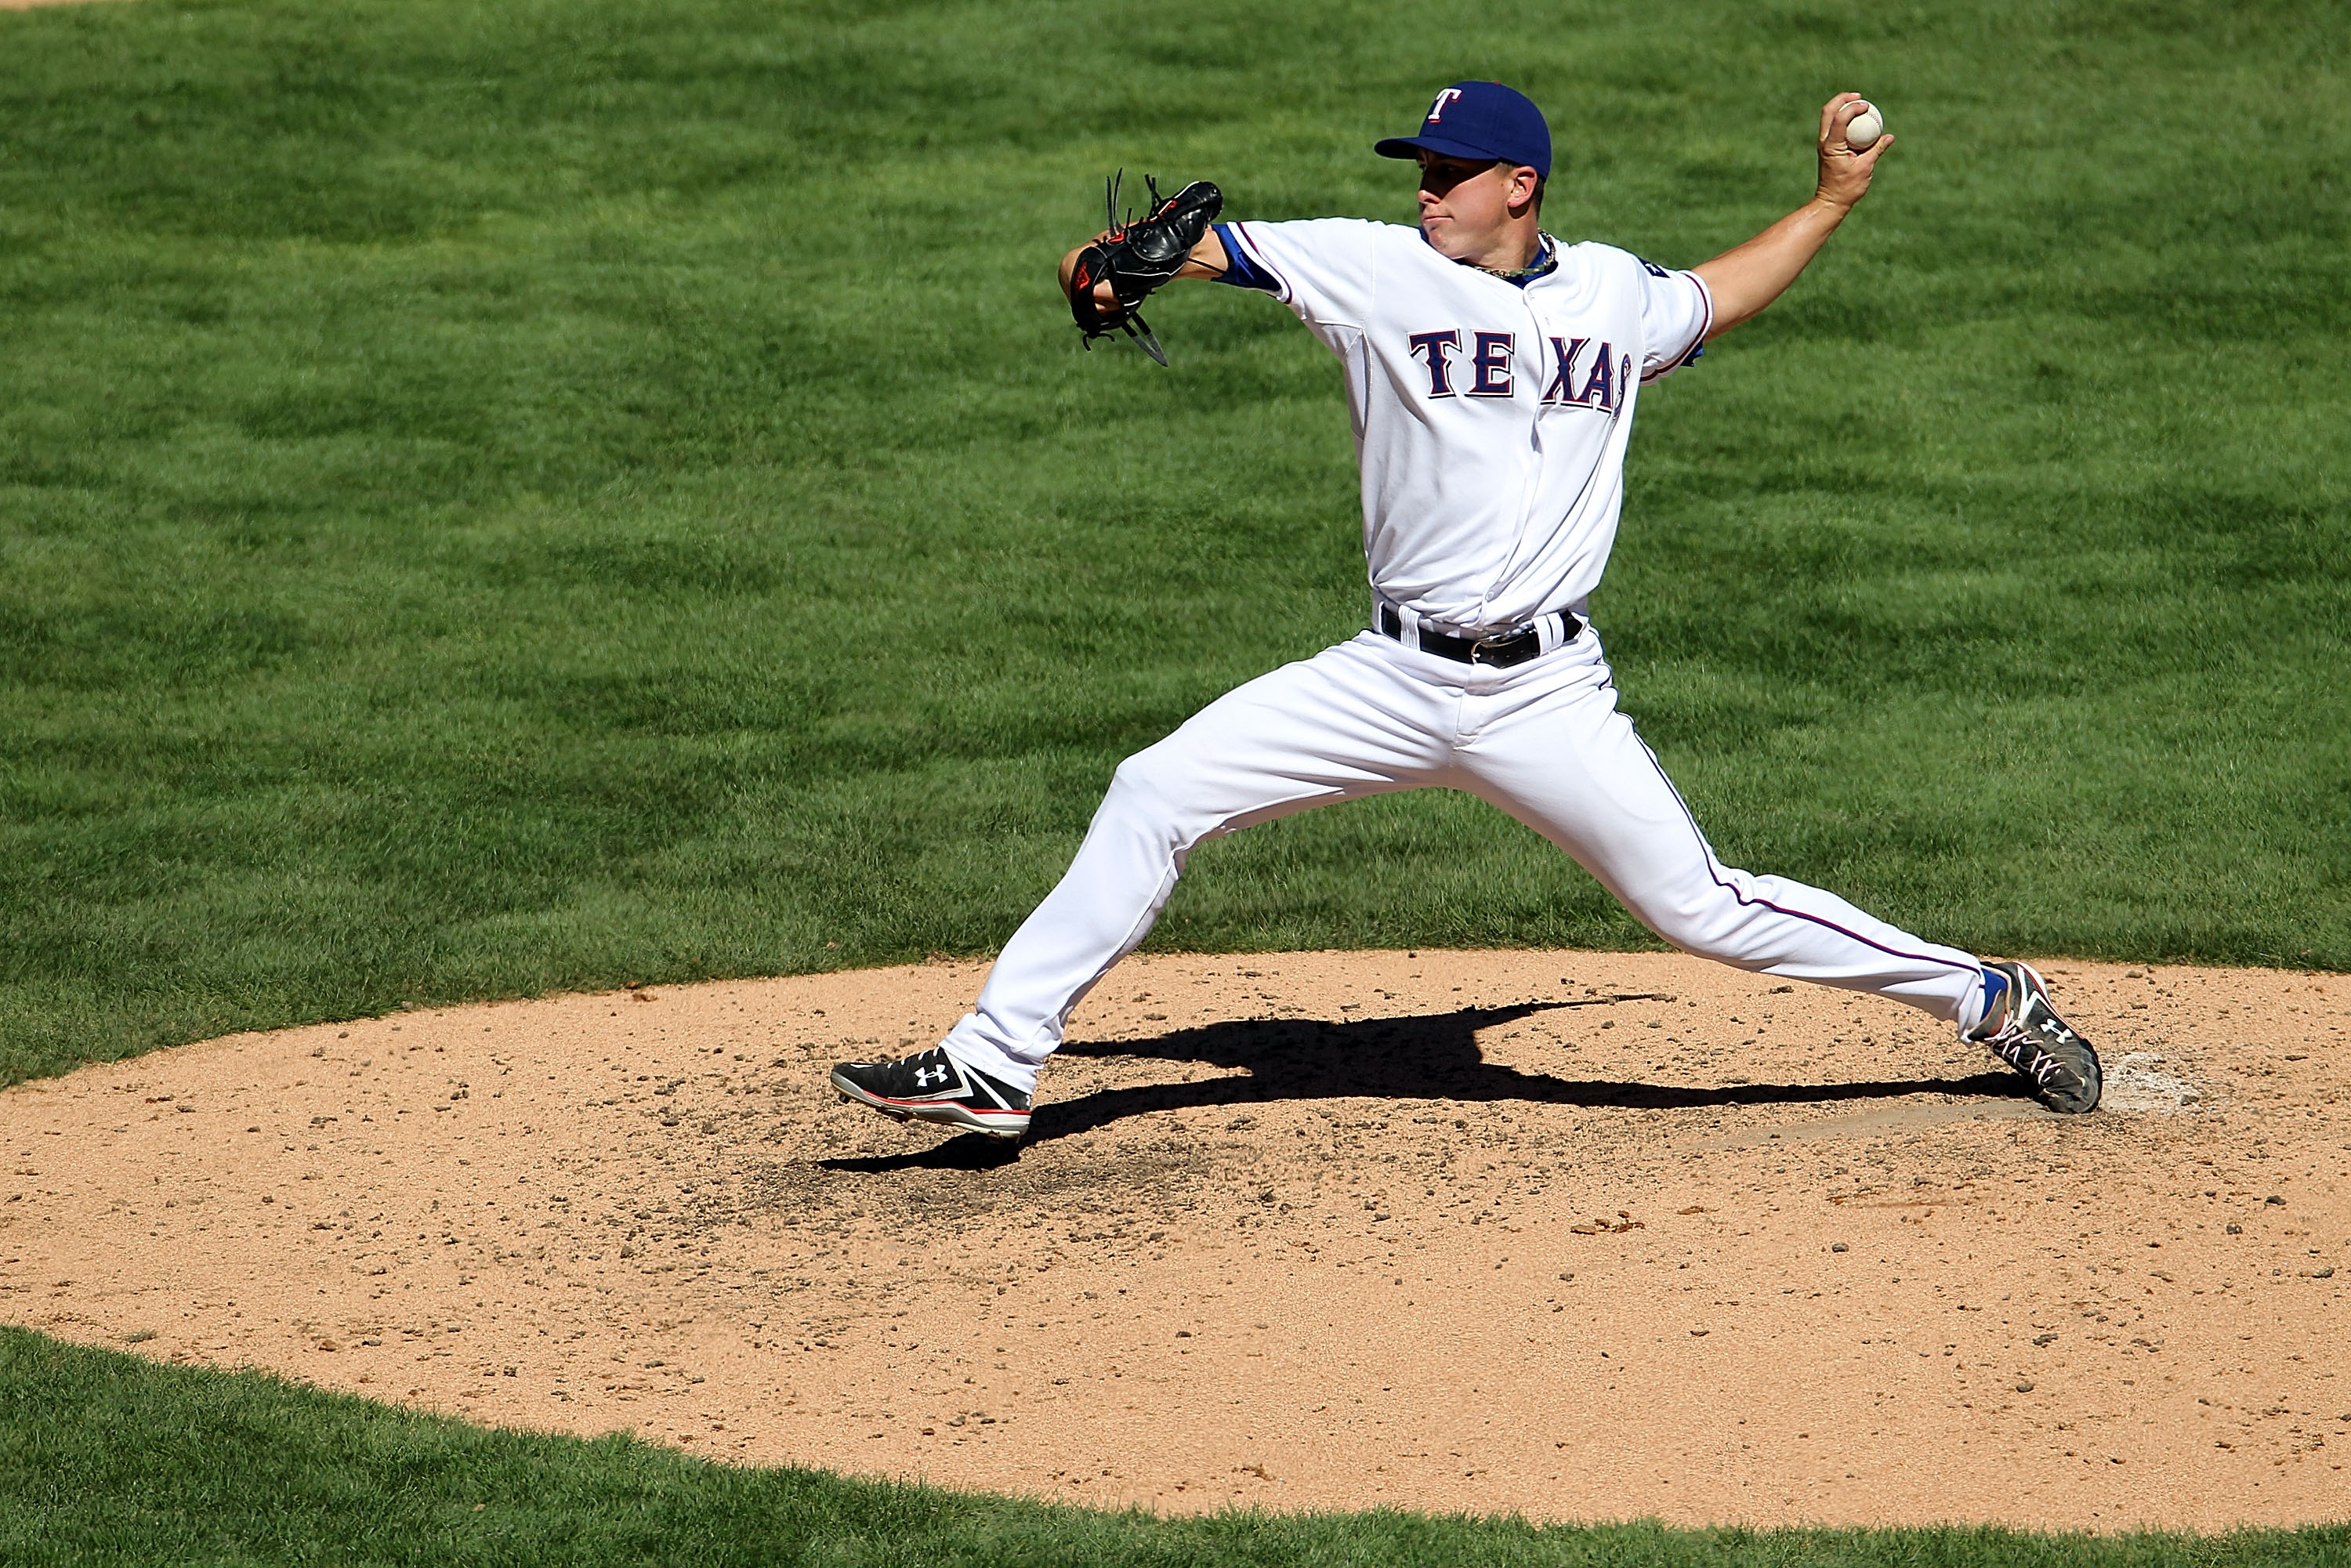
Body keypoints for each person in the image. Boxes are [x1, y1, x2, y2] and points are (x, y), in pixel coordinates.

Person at [831, 82, 2100, 1139]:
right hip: (1387, 680)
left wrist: (1829, 203)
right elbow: (1195, 250)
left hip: (1548, 696)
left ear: (1521, 186)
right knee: (1156, 789)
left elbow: (1718, 294)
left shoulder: (1611, 293)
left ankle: (1990, 996)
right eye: (1421, 168)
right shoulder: (1379, 268)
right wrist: (1106, 267)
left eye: (1450, 170)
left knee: (1706, 909)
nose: (1425, 189)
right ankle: (996, 1063)